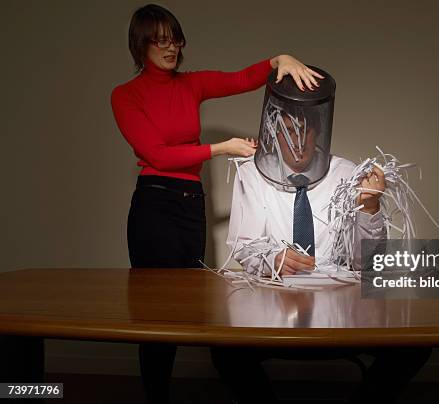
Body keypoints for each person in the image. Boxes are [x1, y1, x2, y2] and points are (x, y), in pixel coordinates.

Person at [110, 4, 323, 404]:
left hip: (192, 205)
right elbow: (156, 154)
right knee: (156, 314)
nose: (169, 46)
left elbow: (242, 78)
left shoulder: (190, 84)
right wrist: (222, 148)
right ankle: (156, 397)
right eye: (159, 39)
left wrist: (281, 59)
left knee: (191, 302)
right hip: (154, 205)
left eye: (174, 37)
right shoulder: (124, 95)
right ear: (140, 45)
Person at [211, 79, 431, 403]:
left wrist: (370, 207)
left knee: (415, 349)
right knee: (224, 353)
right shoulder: (251, 174)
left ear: (319, 130)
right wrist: (273, 260)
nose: (298, 142)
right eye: (288, 130)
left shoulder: (347, 173)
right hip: (274, 311)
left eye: (306, 130)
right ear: (273, 130)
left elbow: (367, 266)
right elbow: (245, 245)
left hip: (340, 312)